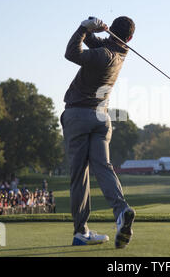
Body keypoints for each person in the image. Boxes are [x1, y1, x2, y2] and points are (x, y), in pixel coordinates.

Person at [61, 16, 136, 248]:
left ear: (112, 31)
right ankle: (121, 210)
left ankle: (81, 231)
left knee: (79, 176)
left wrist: (83, 27)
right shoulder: (121, 52)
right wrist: (95, 32)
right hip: (102, 117)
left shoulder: (103, 55)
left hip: (79, 116)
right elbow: (99, 45)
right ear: (130, 38)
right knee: (103, 167)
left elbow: (71, 53)